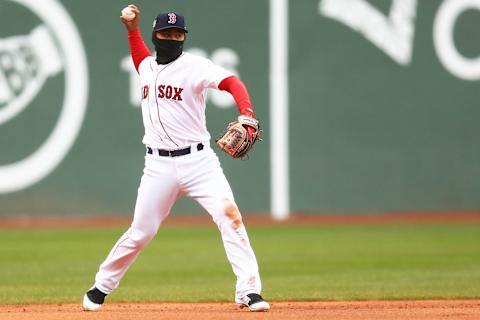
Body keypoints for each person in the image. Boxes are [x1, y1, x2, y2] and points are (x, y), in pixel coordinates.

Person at [82, 4, 270, 312]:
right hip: (158, 167)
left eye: (177, 34)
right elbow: (141, 56)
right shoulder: (146, 67)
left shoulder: (195, 66)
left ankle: (249, 291)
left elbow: (232, 83)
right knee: (141, 232)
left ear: (184, 38)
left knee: (229, 217)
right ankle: (102, 285)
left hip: (199, 162)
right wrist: (131, 30)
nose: (172, 38)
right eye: (166, 33)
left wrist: (246, 113)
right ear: (156, 36)